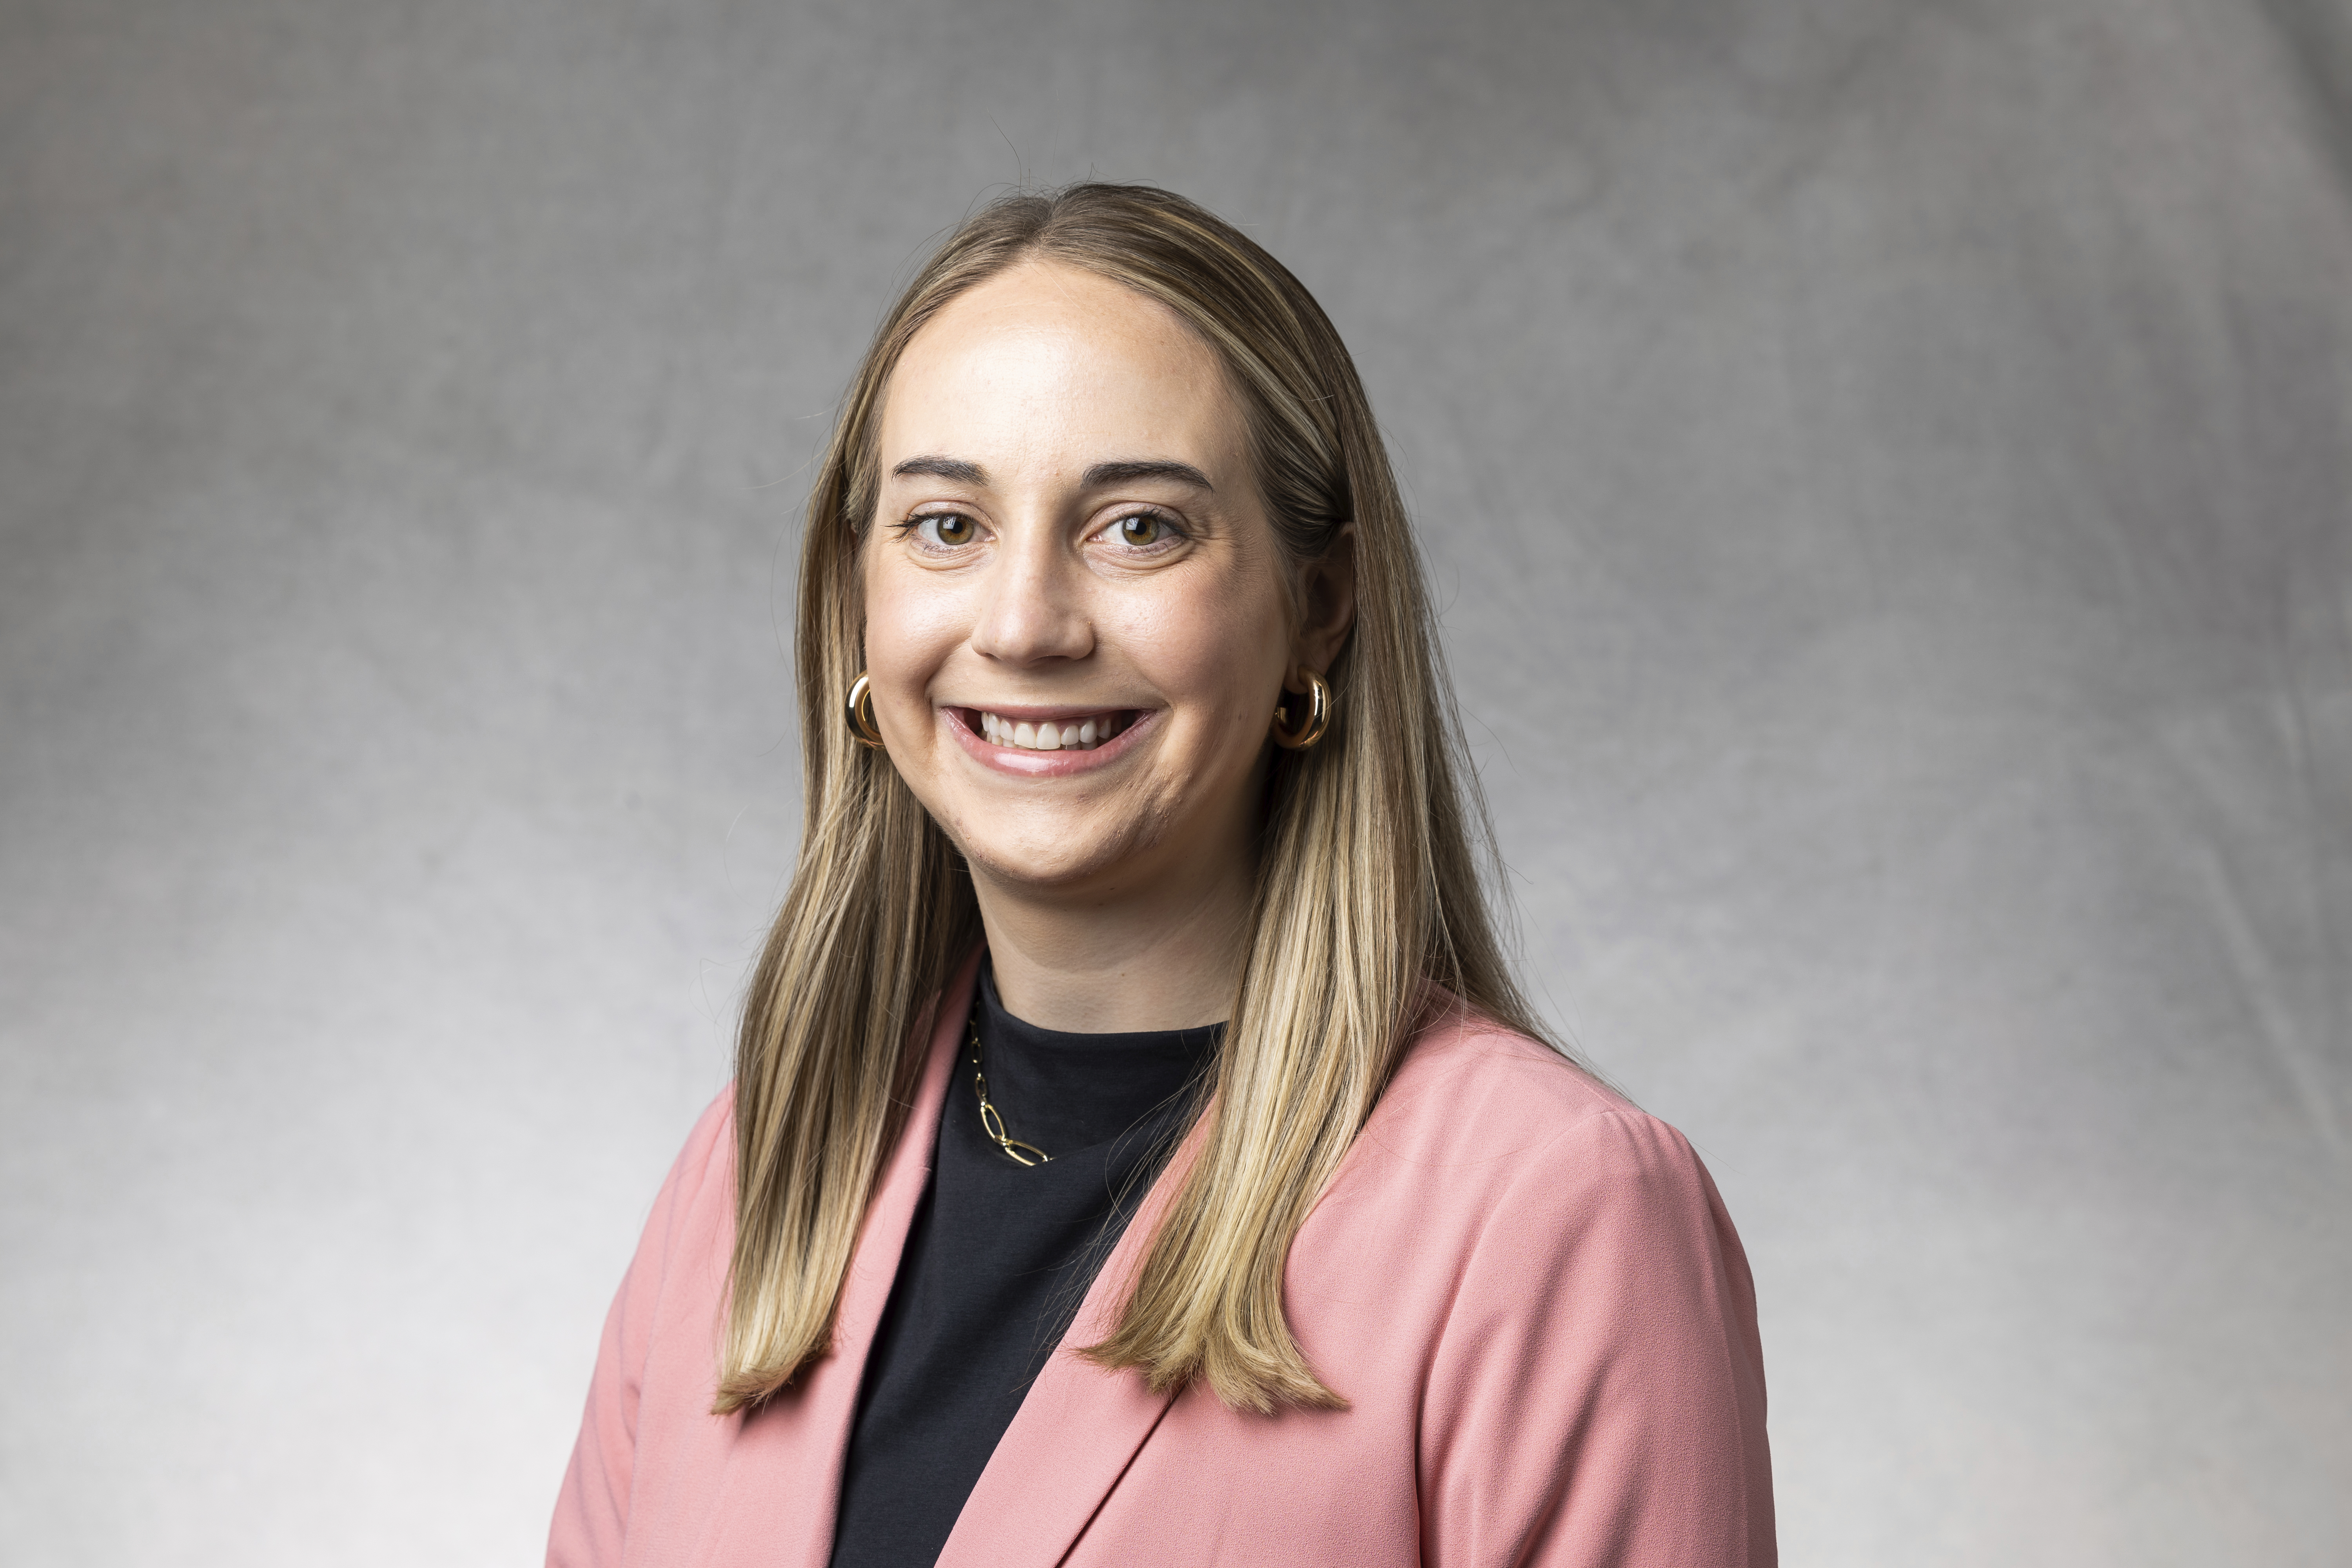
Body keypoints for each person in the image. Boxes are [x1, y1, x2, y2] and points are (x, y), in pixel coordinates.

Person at [548, 183, 1773, 1568]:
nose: (1024, 625)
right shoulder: (748, 1179)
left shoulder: (1556, 1211)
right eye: (947, 524)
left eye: (1139, 527)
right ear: (857, 602)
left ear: (1319, 606)